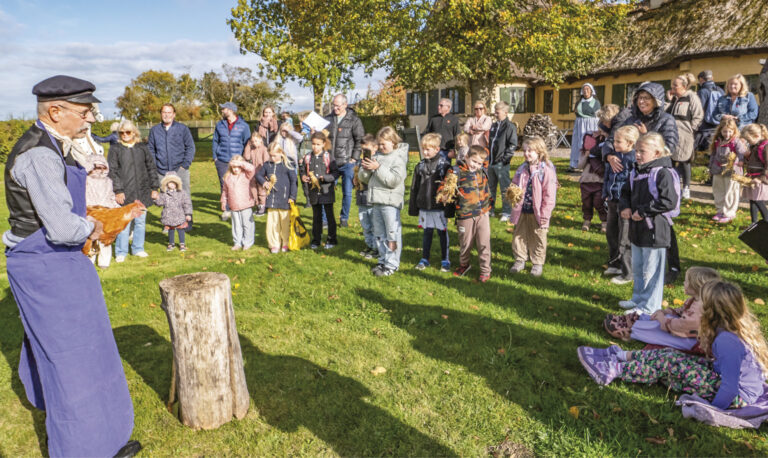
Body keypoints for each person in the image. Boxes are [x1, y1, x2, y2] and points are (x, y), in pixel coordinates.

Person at [4, 75, 139, 457]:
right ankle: (84, 449)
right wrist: (93, 225)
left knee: (89, 351)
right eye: (84, 112)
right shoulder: (39, 154)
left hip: (60, 262)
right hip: (46, 266)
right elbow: (63, 227)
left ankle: (106, 437)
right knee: (72, 362)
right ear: (55, 111)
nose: (91, 119)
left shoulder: (56, 146)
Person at [578, 280, 768, 413]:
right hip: (724, 381)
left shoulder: (726, 341)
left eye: (701, 303)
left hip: (738, 397)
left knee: (671, 363)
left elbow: (730, 387)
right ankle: (622, 356)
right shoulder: (722, 331)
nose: (695, 306)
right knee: (670, 354)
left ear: (712, 311)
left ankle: (616, 370)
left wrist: (715, 410)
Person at [604, 82, 681, 285]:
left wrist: (646, 136)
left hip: (655, 177)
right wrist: (609, 155)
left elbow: (669, 147)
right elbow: (612, 140)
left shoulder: (666, 120)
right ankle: (622, 263)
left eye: (647, 98)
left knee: (660, 228)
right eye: (639, 98)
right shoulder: (630, 118)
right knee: (621, 224)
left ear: (656, 101)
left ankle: (670, 268)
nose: (642, 101)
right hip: (631, 177)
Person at [618, 133, 678, 315]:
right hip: (638, 229)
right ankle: (638, 298)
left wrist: (642, 211)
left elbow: (669, 201)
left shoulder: (662, 173)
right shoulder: (636, 171)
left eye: (642, 151)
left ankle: (650, 306)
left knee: (652, 270)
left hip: (655, 230)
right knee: (639, 267)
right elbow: (625, 192)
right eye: (636, 150)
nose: (637, 155)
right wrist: (625, 207)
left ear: (657, 153)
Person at [604, 266, 721, 348]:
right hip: (687, 335)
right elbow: (681, 311)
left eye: (686, 281)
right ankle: (637, 321)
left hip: (693, 343)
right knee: (663, 318)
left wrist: (662, 319)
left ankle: (631, 332)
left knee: (657, 327)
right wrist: (666, 312)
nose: (684, 283)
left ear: (697, 286)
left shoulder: (700, 307)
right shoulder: (696, 300)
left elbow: (682, 326)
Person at [358, 127, 409, 277]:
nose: (380, 147)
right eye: (379, 144)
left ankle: (392, 264)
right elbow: (365, 179)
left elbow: (393, 181)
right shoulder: (377, 156)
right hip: (376, 200)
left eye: (383, 144)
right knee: (379, 234)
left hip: (390, 202)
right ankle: (382, 260)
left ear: (393, 142)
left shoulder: (398, 158)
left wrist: (378, 168)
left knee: (392, 233)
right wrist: (366, 169)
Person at [437, 146, 492, 282]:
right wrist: (444, 195)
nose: (476, 165)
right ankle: (464, 265)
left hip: (482, 214)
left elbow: (486, 155)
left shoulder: (481, 171)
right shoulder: (456, 172)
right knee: (465, 243)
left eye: (479, 163)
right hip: (465, 215)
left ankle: (485, 270)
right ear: (466, 157)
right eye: (473, 161)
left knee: (484, 243)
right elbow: (444, 189)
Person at [108, 119, 160, 262]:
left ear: (134, 132)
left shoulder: (142, 147)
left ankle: (138, 248)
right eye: (121, 132)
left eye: (128, 132)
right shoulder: (115, 149)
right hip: (125, 192)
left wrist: (155, 187)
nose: (125, 135)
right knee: (124, 224)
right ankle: (121, 251)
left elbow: (151, 167)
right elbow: (113, 171)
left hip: (142, 191)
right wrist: (118, 190)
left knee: (140, 222)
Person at [509, 136, 558, 277]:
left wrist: (545, 213)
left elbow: (549, 195)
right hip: (522, 209)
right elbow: (515, 184)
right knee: (519, 235)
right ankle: (520, 259)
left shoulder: (546, 170)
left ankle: (537, 263)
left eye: (530, 150)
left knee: (538, 236)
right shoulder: (522, 168)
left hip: (538, 211)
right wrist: (513, 193)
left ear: (540, 151)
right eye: (524, 150)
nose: (526, 153)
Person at [408, 133, 451, 272]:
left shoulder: (444, 166)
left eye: (428, 149)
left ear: (437, 149)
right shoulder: (419, 166)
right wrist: (414, 208)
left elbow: (449, 190)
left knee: (442, 233)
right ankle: (425, 258)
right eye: (423, 149)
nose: (425, 152)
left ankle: (445, 259)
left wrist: (448, 209)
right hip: (424, 207)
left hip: (438, 208)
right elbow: (414, 187)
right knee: (427, 232)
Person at [603, 125, 640, 285]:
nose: (614, 144)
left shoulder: (633, 159)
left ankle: (628, 271)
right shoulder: (614, 156)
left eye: (618, 141)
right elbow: (607, 175)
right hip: (612, 200)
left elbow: (633, 183)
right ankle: (615, 263)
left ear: (630, 142)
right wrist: (605, 193)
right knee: (611, 231)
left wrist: (631, 203)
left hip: (625, 203)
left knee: (625, 237)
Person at [324, 94, 365, 227]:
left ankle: (344, 218)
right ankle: (325, 220)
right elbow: (321, 138)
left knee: (347, 193)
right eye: (334, 105)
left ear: (345, 105)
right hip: (331, 162)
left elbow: (360, 140)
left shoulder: (354, 120)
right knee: (326, 190)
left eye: (338, 105)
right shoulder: (328, 120)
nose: (335, 108)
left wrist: (355, 158)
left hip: (347, 162)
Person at [666, 74, 704, 200]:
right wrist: (669, 100)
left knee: (684, 160)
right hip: (672, 133)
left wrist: (691, 129)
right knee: (671, 159)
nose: (672, 87)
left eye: (675, 85)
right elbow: (667, 113)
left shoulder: (691, 97)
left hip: (685, 134)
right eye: (672, 85)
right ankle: (671, 185)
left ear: (683, 86)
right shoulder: (674, 99)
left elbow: (698, 115)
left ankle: (686, 188)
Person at [147, 103, 196, 197]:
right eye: (164, 112)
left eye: (169, 112)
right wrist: (155, 165)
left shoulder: (183, 129)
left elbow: (190, 147)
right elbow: (151, 149)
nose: (166, 115)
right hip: (161, 171)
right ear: (161, 114)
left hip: (180, 170)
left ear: (174, 114)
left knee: (184, 198)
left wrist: (184, 165)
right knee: (166, 200)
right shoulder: (154, 130)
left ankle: (185, 213)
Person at [213, 101, 251, 221]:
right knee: (224, 184)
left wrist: (244, 159)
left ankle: (239, 206)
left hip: (237, 160)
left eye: (224, 109)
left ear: (230, 110)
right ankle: (226, 209)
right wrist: (215, 157)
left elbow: (247, 143)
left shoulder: (244, 126)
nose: (222, 111)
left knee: (238, 184)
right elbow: (215, 141)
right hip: (222, 160)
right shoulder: (219, 125)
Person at [256, 144, 297, 253]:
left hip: (285, 199)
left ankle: (285, 243)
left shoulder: (288, 165)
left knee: (284, 223)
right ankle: (274, 244)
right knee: (272, 223)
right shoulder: (267, 165)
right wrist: (264, 182)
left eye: (274, 155)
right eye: (270, 155)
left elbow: (294, 182)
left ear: (281, 153)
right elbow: (258, 175)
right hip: (272, 200)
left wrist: (292, 196)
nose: (272, 158)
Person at [302, 131, 340, 249]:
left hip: (326, 190)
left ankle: (331, 239)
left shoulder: (328, 157)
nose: (315, 147)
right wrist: (303, 177)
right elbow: (302, 171)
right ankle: (316, 239)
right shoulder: (307, 157)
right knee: (316, 216)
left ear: (323, 144)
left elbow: (336, 173)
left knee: (329, 216)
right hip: (314, 192)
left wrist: (326, 178)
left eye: (318, 144)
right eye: (313, 144)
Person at [709, 118, 748, 224]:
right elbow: (713, 154)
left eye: (730, 131)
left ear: (734, 131)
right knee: (718, 190)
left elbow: (742, 153)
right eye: (725, 131)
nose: (727, 134)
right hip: (718, 169)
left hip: (732, 171)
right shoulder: (718, 141)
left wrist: (739, 161)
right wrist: (711, 167)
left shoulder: (736, 141)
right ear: (720, 131)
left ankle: (729, 213)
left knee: (730, 192)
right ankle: (720, 210)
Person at [84, 154, 119, 268]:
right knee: (91, 237)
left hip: (106, 212)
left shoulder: (108, 181)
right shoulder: (86, 180)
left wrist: (115, 207)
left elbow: (111, 195)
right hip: (91, 211)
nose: (99, 170)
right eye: (96, 167)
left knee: (105, 237)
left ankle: (104, 261)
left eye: (102, 167)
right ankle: (90, 258)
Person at [487, 101, 518, 221]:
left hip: (501, 163)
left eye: (497, 111)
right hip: (491, 162)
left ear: (505, 112)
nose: (495, 113)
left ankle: (507, 212)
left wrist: (504, 160)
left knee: (505, 187)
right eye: (495, 111)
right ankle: (490, 210)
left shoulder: (510, 127)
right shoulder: (494, 126)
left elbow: (512, 145)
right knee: (490, 187)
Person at [221, 155, 257, 251]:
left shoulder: (246, 175)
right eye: (234, 167)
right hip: (234, 205)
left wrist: (240, 163)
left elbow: (252, 168)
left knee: (247, 225)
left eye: (238, 167)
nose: (236, 169)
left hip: (246, 204)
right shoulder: (228, 177)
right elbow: (225, 191)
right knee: (236, 226)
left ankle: (247, 242)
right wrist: (223, 201)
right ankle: (237, 242)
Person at [577, 127, 606, 232]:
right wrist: (586, 156)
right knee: (586, 203)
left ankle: (604, 222)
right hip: (586, 181)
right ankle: (587, 220)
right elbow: (580, 165)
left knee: (599, 203)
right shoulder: (584, 152)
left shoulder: (602, 153)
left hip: (599, 182)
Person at [155, 172, 193, 252]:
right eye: (170, 183)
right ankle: (171, 243)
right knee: (171, 230)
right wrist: (156, 198)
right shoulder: (164, 194)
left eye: (174, 183)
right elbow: (160, 202)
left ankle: (182, 243)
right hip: (168, 216)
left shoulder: (182, 193)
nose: (172, 184)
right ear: (166, 184)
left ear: (177, 183)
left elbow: (187, 203)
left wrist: (188, 214)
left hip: (180, 215)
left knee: (180, 229)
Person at [569, 83, 601, 172]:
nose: (585, 91)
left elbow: (594, 113)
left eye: (587, 89)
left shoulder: (595, 102)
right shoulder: (579, 102)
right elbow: (577, 112)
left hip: (591, 124)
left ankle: (588, 164)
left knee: (589, 143)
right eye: (584, 89)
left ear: (591, 91)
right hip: (579, 124)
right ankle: (576, 164)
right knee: (578, 142)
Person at [355, 134, 378, 258]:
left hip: (373, 198)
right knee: (365, 224)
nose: (364, 152)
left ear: (375, 148)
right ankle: (369, 245)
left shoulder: (376, 162)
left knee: (375, 225)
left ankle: (376, 248)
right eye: (362, 150)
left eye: (367, 150)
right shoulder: (360, 162)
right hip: (362, 197)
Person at [741, 123, 768, 223]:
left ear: (756, 136)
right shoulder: (755, 146)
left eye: (749, 140)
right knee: (752, 200)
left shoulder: (765, 147)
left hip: (759, 180)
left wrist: (760, 179)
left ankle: (766, 221)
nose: (748, 142)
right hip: (752, 178)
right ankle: (754, 223)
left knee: (757, 200)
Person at [696, 70, 725, 152]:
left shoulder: (702, 92)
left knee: (702, 151)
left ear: (701, 79)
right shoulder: (721, 90)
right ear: (712, 78)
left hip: (705, 127)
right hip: (718, 125)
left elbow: (699, 109)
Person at [243, 132, 270, 217]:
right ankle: (258, 205)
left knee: (261, 190)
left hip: (261, 174)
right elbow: (246, 157)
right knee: (253, 190)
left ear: (260, 140)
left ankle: (263, 206)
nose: (254, 143)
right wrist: (248, 145)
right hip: (252, 174)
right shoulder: (252, 149)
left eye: (256, 141)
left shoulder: (264, 149)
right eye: (253, 141)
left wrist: (265, 173)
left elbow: (266, 162)